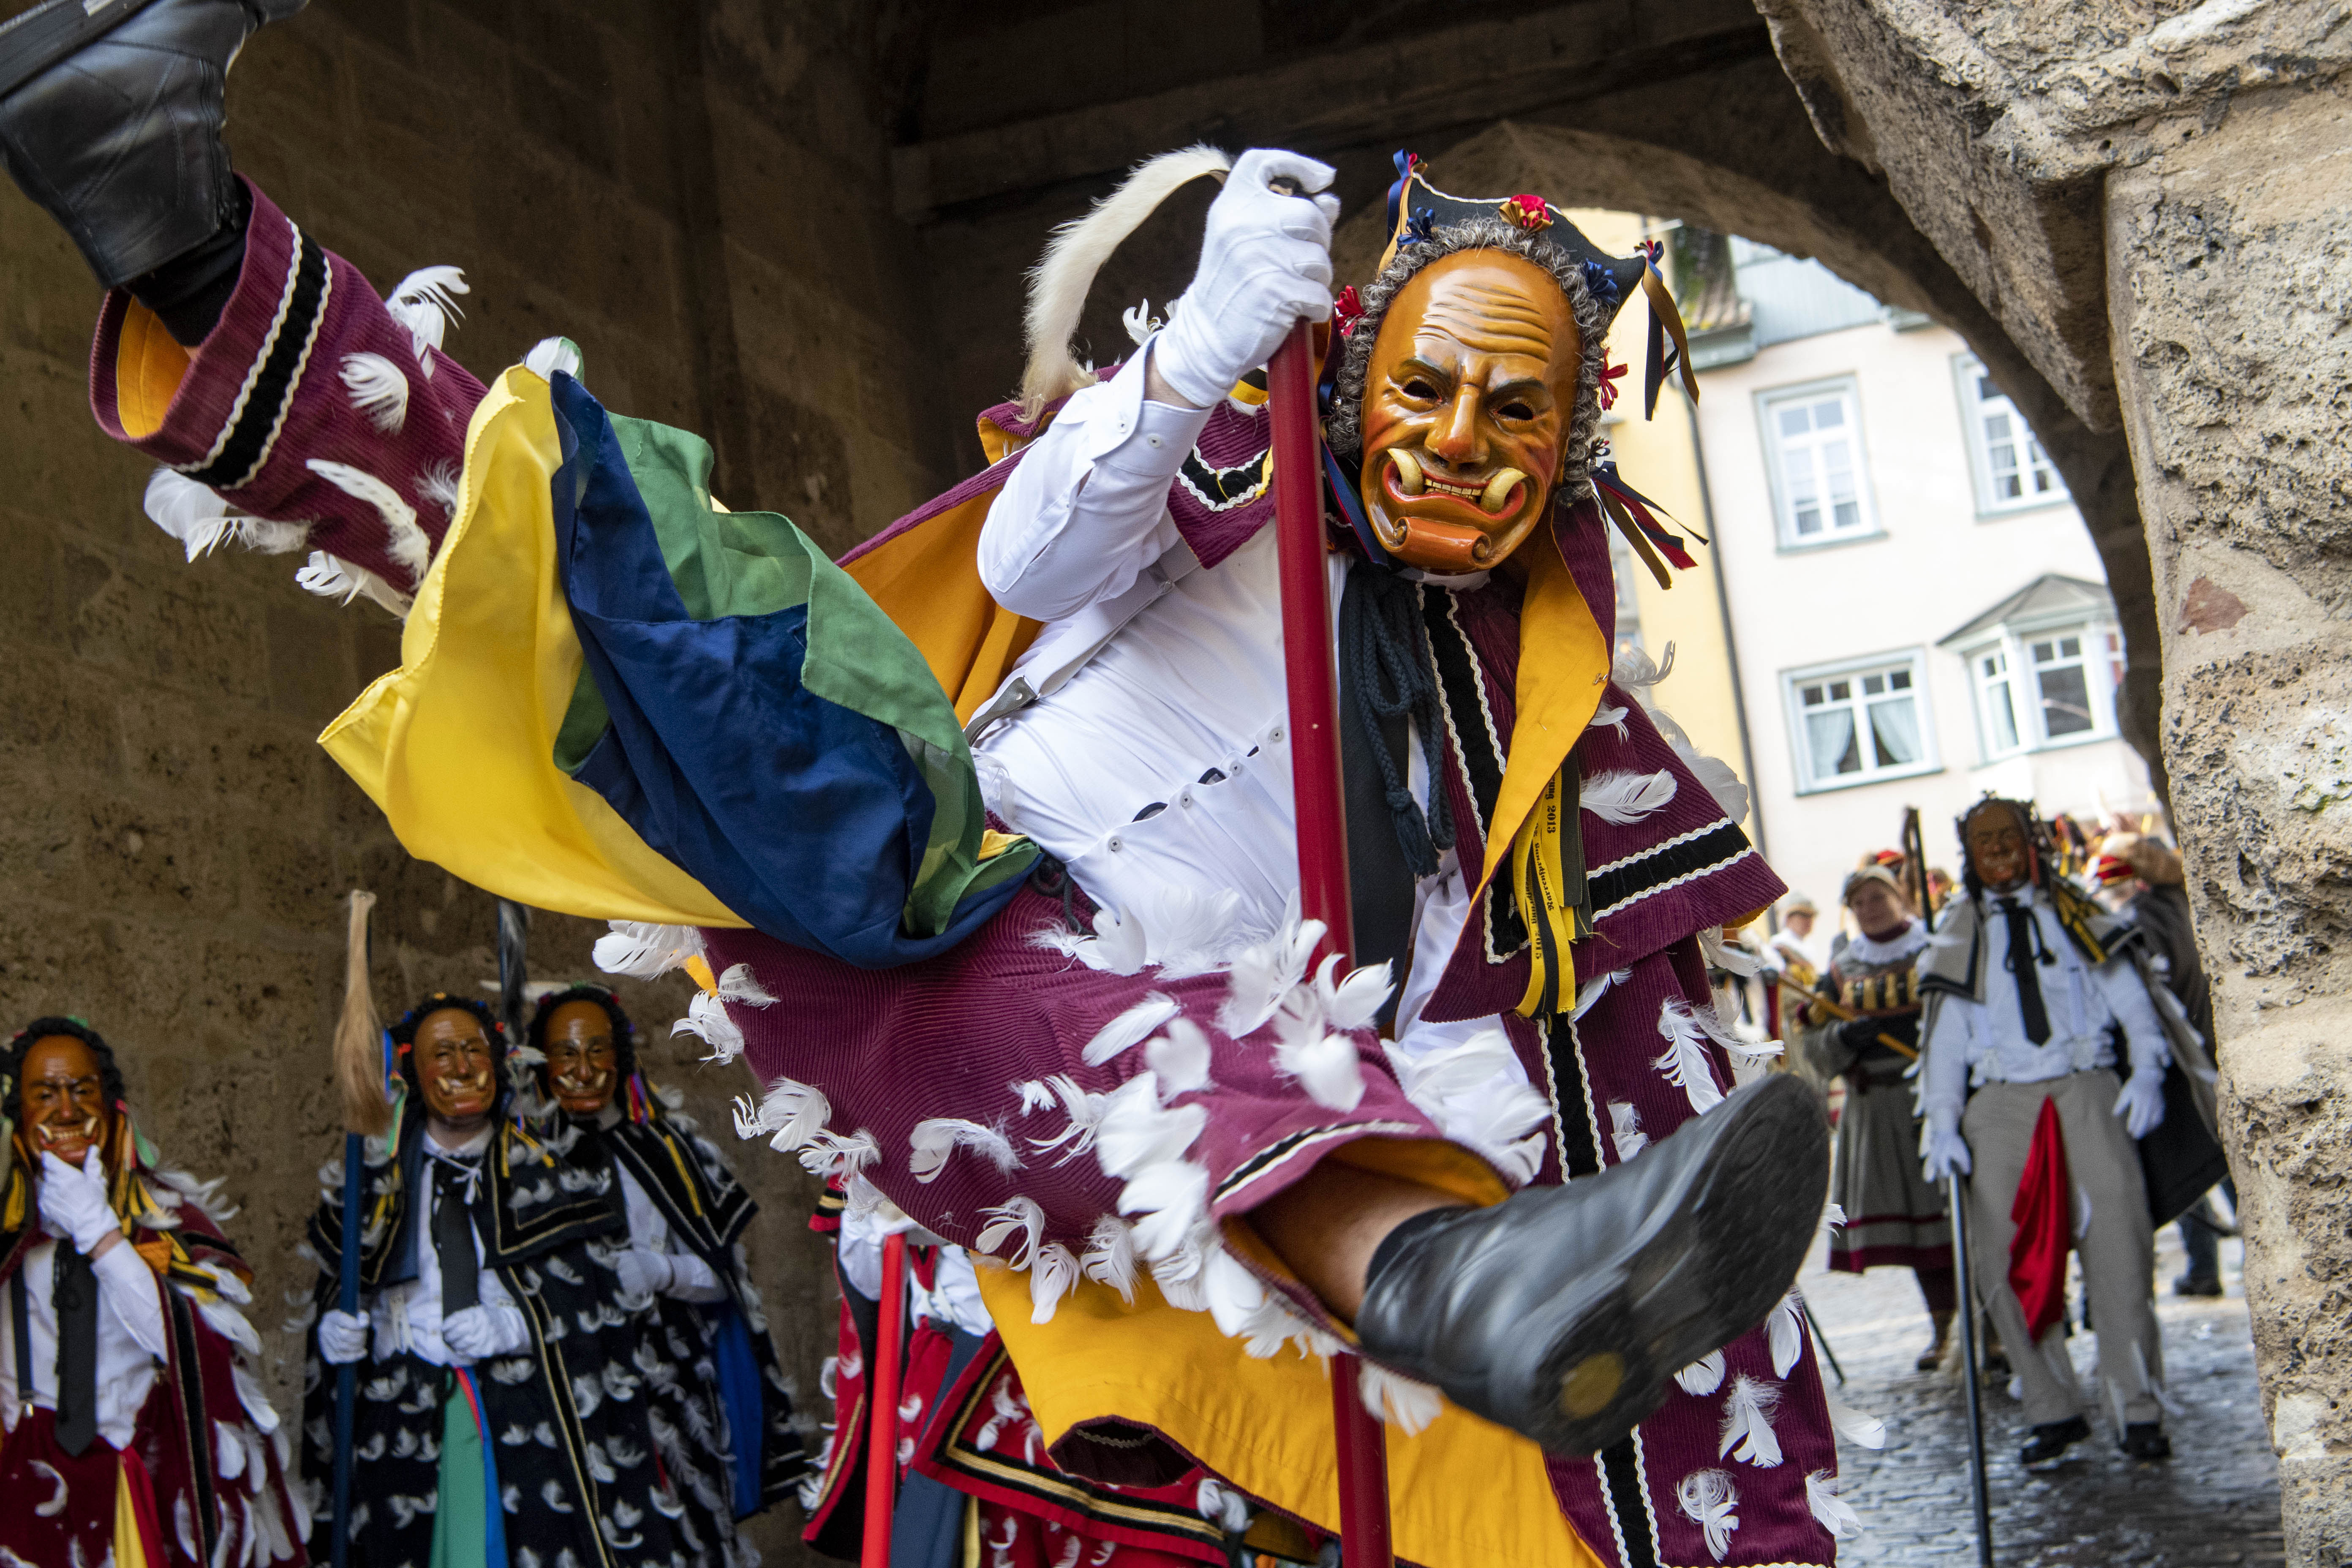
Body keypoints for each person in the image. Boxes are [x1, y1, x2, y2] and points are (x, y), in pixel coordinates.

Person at [0, 9, 1841, 1563]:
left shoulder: (1551, 740)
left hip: (1151, 1124)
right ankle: (183, 231)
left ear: (1572, 447)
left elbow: (1588, 1053)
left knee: (1003, 931)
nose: (1457, 438)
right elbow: (1039, 553)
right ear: (1356, 379)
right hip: (928, 853)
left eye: (1514, 411)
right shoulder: (1207, 479)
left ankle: (1427, 1265)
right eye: (1426, 386)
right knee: (625, 552)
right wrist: (1195, 348)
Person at [304, 993, 702, 1567]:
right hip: (399, 1421)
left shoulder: (553, 1174)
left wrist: (516, 1326)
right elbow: (344, 1288)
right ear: (413, 1074)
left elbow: (599, 1309)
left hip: (521, 1419)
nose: (463, 1069)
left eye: (475, 1051)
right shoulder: (371, 1184)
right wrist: (334, 1334)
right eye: (443, 1054)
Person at [1917, 798, 2205, 1466]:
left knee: (2121, 1252)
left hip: (2087, 1087)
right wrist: (1942, 1119)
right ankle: (2051, 1407)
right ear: (1969, 853)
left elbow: (2130, 997)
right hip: (1999, 1104)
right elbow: (1946, 1038)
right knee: (2003, 1258)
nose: (1998, 854)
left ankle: (2137, 1409)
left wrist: (2147, 1074)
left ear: (2032, 843)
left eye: (2008, 839)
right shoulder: (1958, 932)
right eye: (1983, 842)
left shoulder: (2079, 913)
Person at [0, 1016, 308, 1568]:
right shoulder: (7, 1226)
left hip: (131, 1480)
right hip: (23, 1483)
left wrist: (102, 1236)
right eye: (44, 1094)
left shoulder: (168, 1217)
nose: (67, 1111)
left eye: (83, 1090)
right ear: (17, 1112)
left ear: (111, 1102)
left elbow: (197, 1350)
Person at [528, 983, 807, 1551]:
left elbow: (724, 1280)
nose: (583, 1070)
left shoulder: (671, 1151)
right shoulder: (522, 1162)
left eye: (597, 1051)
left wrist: (662, 1273)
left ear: (620, 1056)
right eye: (565, 1054)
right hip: (559, 1389)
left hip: (668, 1386)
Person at [1791, 869, 1953, 1370]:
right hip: (1878, 1107)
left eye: (1878, 896)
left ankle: (1990, 1328)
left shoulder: (1939, 948)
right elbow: (1811, 1044)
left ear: (1899, 897)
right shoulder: (1841, 969)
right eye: (1859, 901)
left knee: (1959, 1224)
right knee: (1921, 1235)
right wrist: (1844, 1041)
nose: (1871, 906)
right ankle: (1944, 1328)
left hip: (1938, 1101)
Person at [2091, 834, 2235, 1296]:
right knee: (2225, 1161)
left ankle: (2204, 1267)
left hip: (2177, 1062)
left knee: (2191, 1171)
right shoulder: (2185, 904)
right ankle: (2211, 1265)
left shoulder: (2141, 921)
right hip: (2211, 1050)